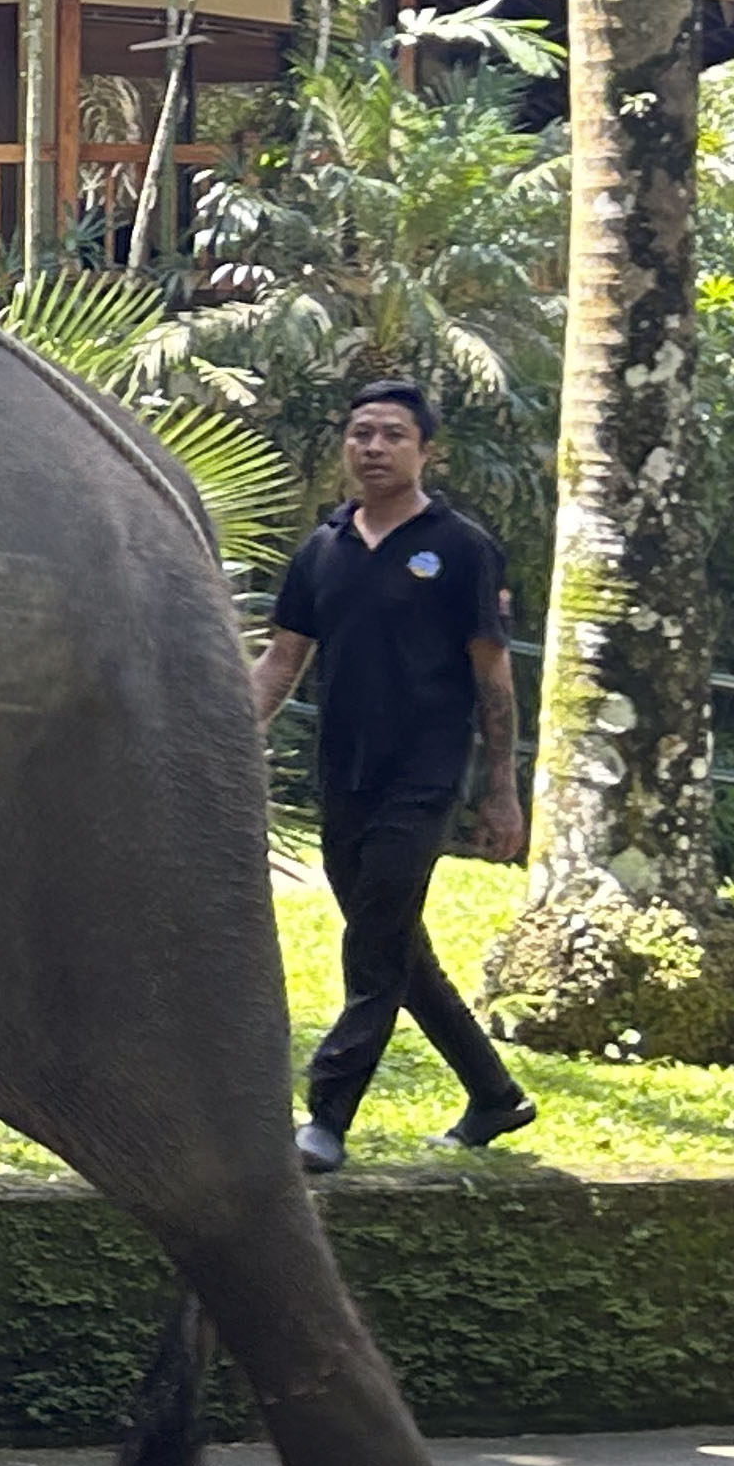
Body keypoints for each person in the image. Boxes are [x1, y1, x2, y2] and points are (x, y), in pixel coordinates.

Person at [250, 381, 536, 1175]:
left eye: (392, 436)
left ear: (425, 451)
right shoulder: (323, 549)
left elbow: (494, 677)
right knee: (395, 942)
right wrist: (230, 741)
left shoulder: (460, 548)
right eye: (360, 434)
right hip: (344, 774)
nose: (372, 447)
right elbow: (280, 661)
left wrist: (501, 787)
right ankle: (494, 1093)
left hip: (425, 775)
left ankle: (326, 1115)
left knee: (372, 942)